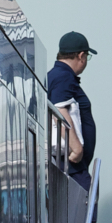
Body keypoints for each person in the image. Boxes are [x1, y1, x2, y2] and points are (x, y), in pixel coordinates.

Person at [44, 33, 96, 178]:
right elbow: (59, 111)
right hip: (71, 168)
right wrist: (77, 149)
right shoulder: (63, 76)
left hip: (69, 165)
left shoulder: (57, 75)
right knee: (82, 200)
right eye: (87, 57)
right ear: (81, 56)